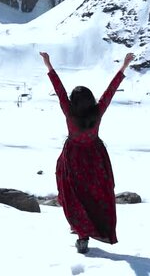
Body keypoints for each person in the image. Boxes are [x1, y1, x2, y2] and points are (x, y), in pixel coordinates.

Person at [39, 51, 135, 254]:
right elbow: (110, 91)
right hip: (95, 159)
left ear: (73, 102)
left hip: (73, 158)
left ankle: (82, 236)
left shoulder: (69, 112)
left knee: (74, 196)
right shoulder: (97, 112)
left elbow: (59, 91)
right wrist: (123, 66)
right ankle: (97, 228)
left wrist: (49, 65)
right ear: (91, 100)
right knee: (96, 196)